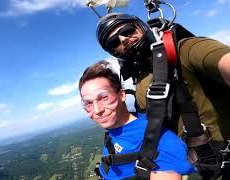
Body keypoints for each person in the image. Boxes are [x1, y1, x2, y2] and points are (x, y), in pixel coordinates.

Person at [96, 13, 230, 142]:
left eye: (127, 30)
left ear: (141, 26)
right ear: (114, 51)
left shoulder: (183, 50)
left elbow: (222, 60)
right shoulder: (140, 79)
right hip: (189, 160)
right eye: (114, 42)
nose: (123, 39)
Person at [78, 60, 194, 179]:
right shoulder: (117, 126)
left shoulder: (160, 141)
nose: (97, 110)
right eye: (88, 103)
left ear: (122, 95)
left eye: (104, 97)